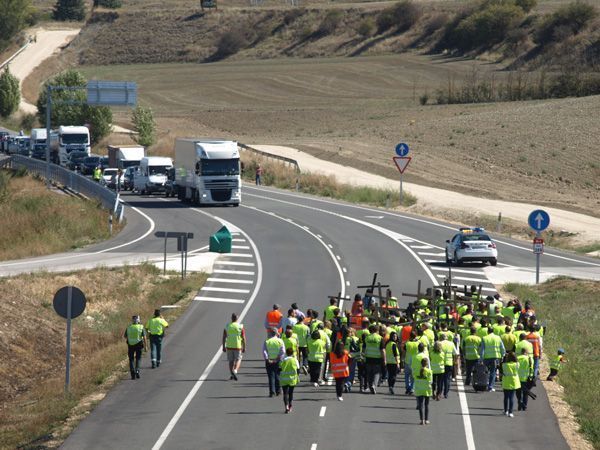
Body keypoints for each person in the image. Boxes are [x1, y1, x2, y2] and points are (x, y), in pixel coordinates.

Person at [480, 326, 506, 391]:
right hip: (495, 357)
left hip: (486, 357)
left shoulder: (484, 338)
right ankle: (490, 387)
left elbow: (482, 350)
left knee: (485, 372)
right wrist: (503, 355)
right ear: (493, 331)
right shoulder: (498, 338)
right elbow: (502, 348)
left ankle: (485, 384)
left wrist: (481, 359)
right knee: (493, 372)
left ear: (487, 331)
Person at [222, 313, 246, 380]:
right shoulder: (240, 326)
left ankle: (231, 373)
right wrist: (244, 347)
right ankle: (235, 371)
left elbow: (224, 337)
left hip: (229, 346)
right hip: (237, 346)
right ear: (237, 318)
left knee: (231, 361)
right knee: (238, 359)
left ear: (231, 318)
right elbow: (243, 338)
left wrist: (223, 346)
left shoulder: (227, 326)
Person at [263, 328, 285, 397]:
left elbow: (264, 351)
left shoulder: (267, 341)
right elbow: (283, 351)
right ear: (276, 333)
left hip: (269, 361)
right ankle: (278, 390)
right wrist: (279, 358)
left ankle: (272, 392)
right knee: (277, 375)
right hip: (277, 361)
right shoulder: (280, 341)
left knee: (271, 376)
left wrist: (267, 359)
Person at [363, 324, 386, 394]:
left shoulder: (367, 338)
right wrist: (384, 359)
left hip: (368, 358)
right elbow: (382, 350)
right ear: (377, 330)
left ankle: (370, 386)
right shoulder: (380, 338)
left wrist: (363, 357)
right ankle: (374, 385)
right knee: (376, 373)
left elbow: (363, 349)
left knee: (369, 374)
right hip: (377, 358)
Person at [124, 315, 147, 380]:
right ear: (138, 320)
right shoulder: (141, 327)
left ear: (132, 320)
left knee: (131, 359)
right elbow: (145, 337)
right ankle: (137, 370)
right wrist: (146, 346)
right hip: (139, 344)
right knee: (138, 358)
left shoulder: (128, 327)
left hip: (130, 345)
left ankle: (132, 373)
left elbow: (125, 336)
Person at [279, 347, 300, 413]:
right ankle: (290, 404)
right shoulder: (295, 360)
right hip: (292, 379)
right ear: (292, 353)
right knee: (291, 393)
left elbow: (279, 369)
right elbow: (298, 369)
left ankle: (286, 406)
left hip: (284, 379)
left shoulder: (283, 360)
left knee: (285, 393)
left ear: (286, 353)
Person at [501, 352, 520, 417]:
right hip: (513, 382)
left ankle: (505, 410)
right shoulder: (517, 364)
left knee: (506, 397)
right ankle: (510, 412)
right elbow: (517, 362)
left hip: (506, 382)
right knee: (511, 398)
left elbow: (502, 363)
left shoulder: (505, 365)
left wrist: (505, 357)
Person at [415, 357, 433, 425]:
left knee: (420, 405)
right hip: (427, 390)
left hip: (419, 390)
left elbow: (415, 378)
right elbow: (430, 381)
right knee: (426, 405)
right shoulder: (429, 371)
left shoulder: (417, 371)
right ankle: (426, 419)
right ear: (427, 364)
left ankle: (421, 420)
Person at [516, 347, 533, 411]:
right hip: (525, 378)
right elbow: (531, 368)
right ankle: (525, 405)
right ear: (526, 352)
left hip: (517, 378)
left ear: (521, 352)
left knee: (518, 392)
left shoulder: (517, 358)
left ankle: (519, 402)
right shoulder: (529, 359)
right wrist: (531, 376)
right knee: (525, 393)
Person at [440, 333, 455, 398]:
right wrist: (454, 361)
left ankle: (439, 392)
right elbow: (455, 353)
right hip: (449, 363)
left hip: (441, 363)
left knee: (441, 379)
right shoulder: (451, 343)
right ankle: (446, 393)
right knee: (447, 379)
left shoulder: (439, 343)